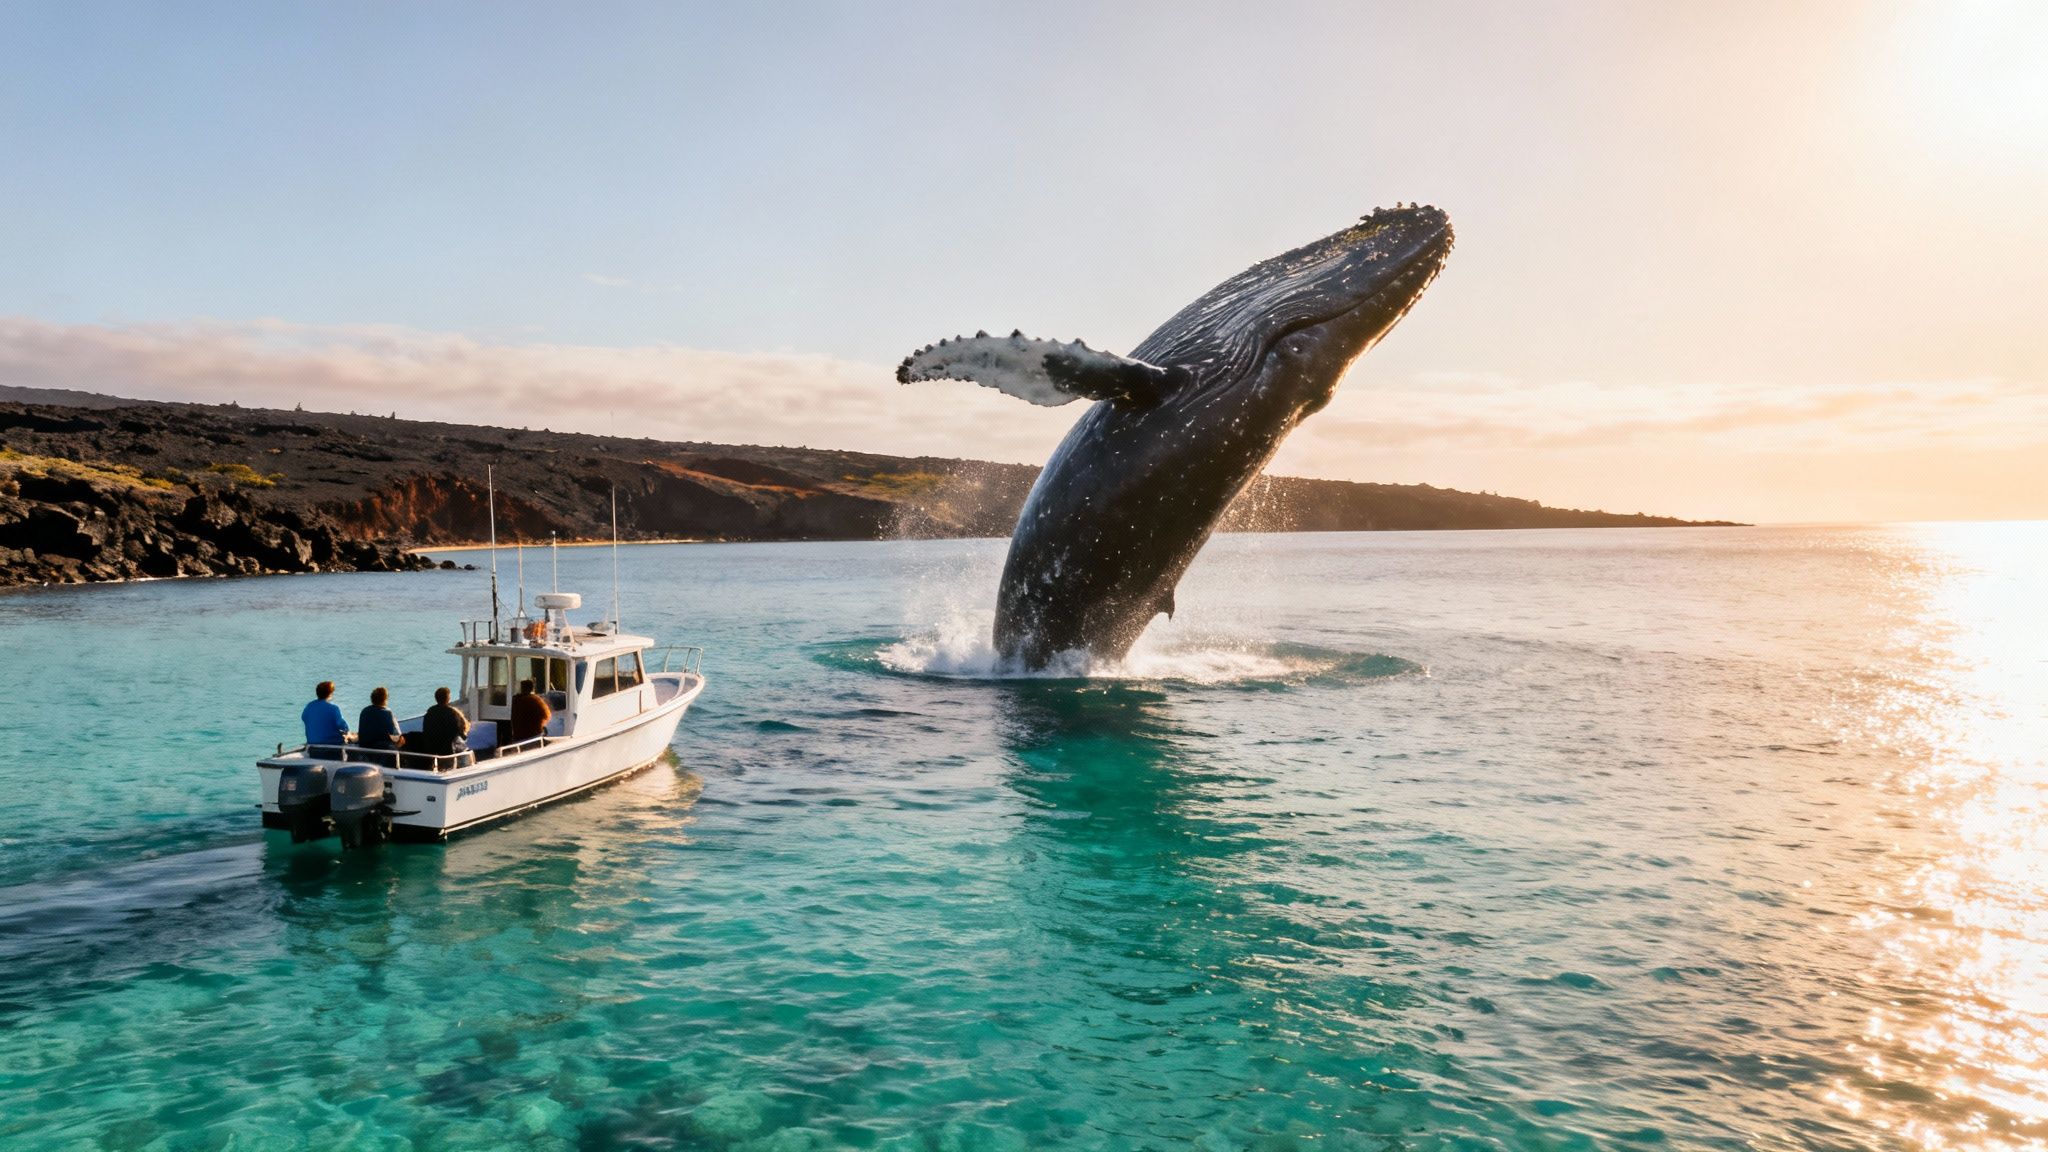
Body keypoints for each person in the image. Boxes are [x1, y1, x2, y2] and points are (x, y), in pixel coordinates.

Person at [419, 686, 470, 757]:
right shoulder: (452, 714)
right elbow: (459, 732)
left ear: (436, 698)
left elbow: (426, 732)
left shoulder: (429, 714)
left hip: (431, 749)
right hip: (448, 750)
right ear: (448, 699)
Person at [357, 686, 406, 758]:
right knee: (402, 740)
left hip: (365, 748)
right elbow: (397, 735)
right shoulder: (387, 713)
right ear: (385, 699)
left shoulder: (364, 711)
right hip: (382, 749)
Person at [300, 681, 351, 750]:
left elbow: (304, 718)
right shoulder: (334, 708)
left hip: (312, 747)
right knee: (351, 737)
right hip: (332, 747)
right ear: (330, 694)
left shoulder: (309, 706)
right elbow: (345, 728)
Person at [510, 678, 552, 743]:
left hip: (517, 737)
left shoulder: (515, 700)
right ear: (532, 688)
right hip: (532, 735)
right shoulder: (533, 700)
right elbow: (546, 716)